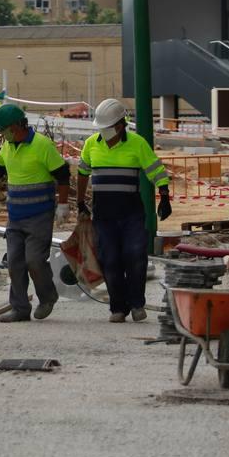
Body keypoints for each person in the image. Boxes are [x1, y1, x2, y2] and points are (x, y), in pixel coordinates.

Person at [0, 104, 70, 322]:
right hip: (15, 217)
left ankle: (47, 296)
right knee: (14, 263)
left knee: (34, 260)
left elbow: (62, 174)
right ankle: (20, 309)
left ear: (15, 126)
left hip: (39, 216)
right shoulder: (8, 146)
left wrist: (63, 205)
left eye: (4, 129)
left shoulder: (42, 145)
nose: (2, 134)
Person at [76, 98, 171, 323]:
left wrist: (164, 196)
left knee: (135, 257)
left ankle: (137, 303)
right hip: (104, 215)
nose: (102, 131)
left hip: (131, 214)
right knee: (110, 259)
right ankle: (118, 307)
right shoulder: (91, 144)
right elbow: (82, 172)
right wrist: (80, 202)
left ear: (119, 126)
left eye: (106, 127)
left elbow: (156, 170)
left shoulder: (137, 144)